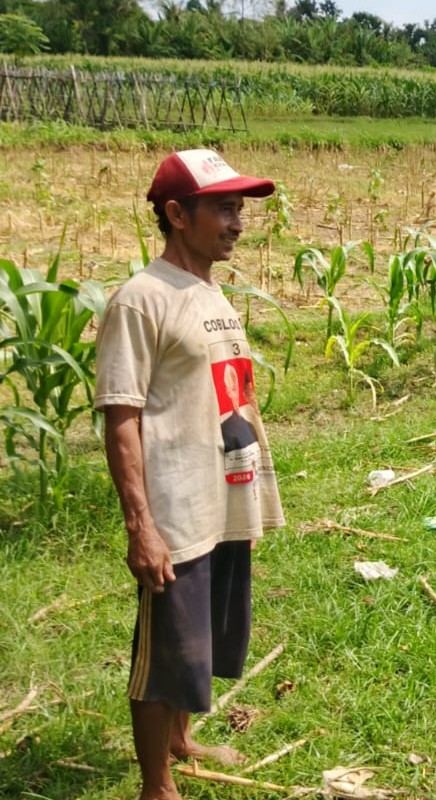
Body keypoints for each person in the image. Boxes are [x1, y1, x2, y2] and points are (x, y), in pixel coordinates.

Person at [95, 148, 285, 800]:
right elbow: (121, 417)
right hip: (175, 506)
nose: (238, 222)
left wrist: (251, 500)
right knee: (166, 648)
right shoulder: (142, 301)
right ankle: (157, 785)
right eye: (224, 209)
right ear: (177, 214)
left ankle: (181, 741)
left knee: (202, 634)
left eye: (241, 209)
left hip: (222, 495)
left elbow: (232, 395)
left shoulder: (208, 293)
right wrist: (140, 525)